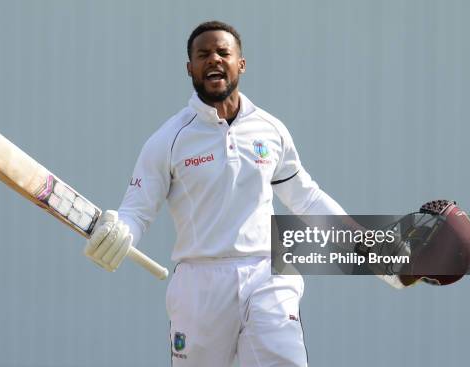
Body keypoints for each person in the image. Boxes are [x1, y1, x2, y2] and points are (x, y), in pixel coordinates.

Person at [84, 20, 355, 366]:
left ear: (240, 63)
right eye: (203, 54)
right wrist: (119, 234)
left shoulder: (271, 130)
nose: (214, 59)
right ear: (190, 68)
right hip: (200, 283)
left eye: (223, 52)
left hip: (268, 271)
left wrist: (364, 241)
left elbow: (307, 197)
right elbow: (136, 211)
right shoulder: (168, 139)